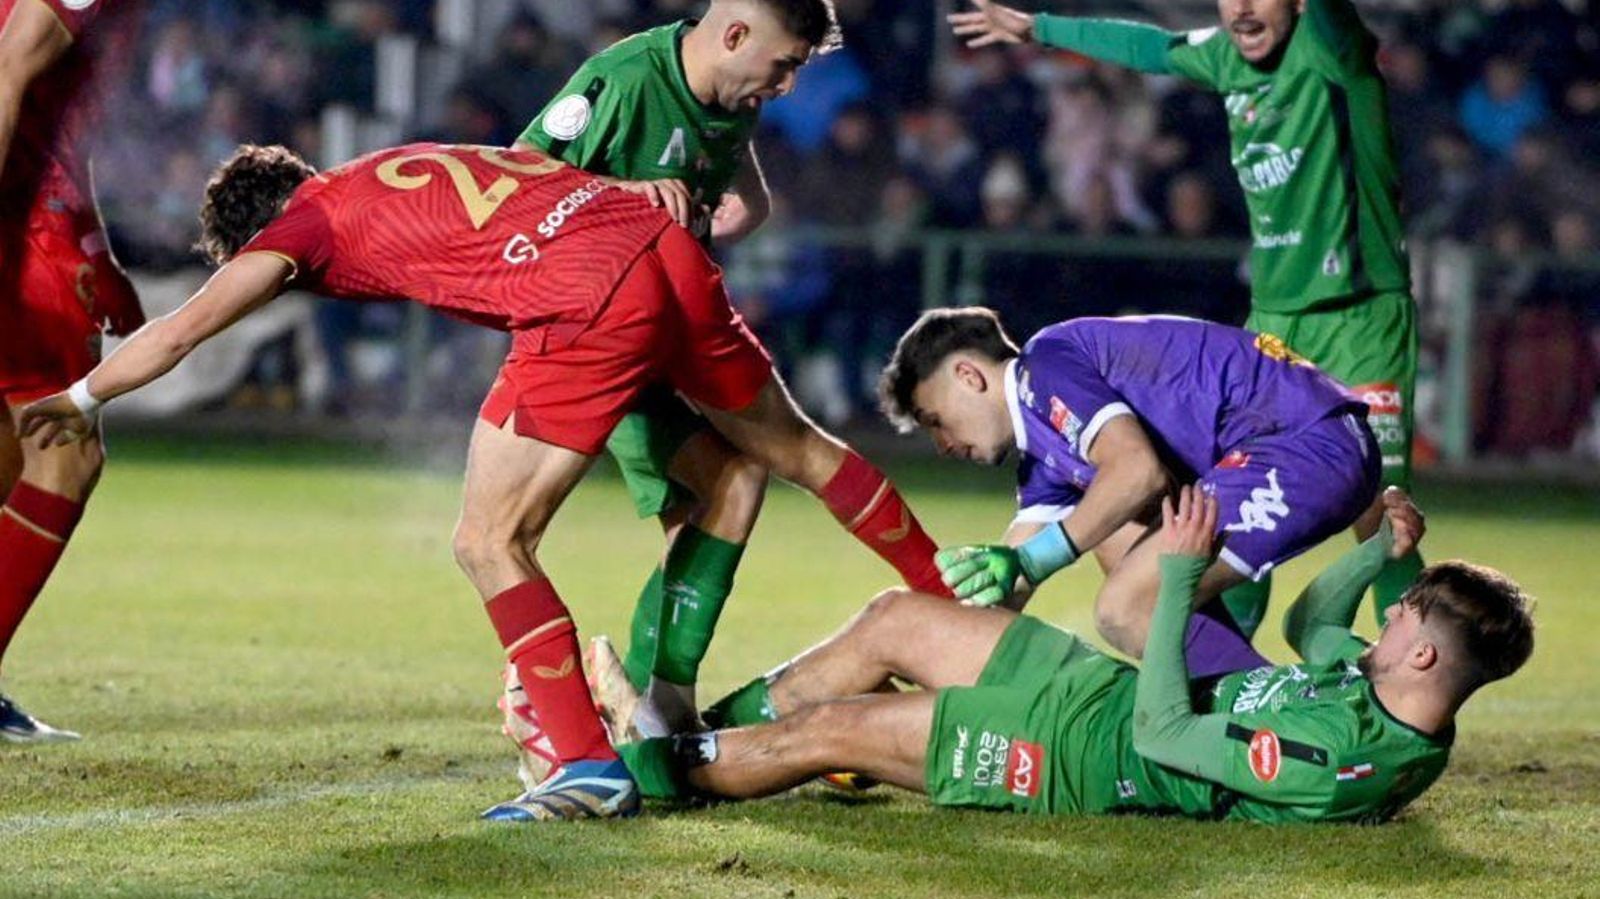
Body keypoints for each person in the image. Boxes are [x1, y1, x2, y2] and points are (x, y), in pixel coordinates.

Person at [18, 141, 947, 822]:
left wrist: (85, 394)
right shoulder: (398, 162)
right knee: (791, 455)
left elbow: (186, 329)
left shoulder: (301, 225)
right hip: (653, 244)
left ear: (265, 228)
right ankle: (956, 614)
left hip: (582, 292)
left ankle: (584, 764)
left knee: (488, 539)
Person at [617, 487, 1535, 825]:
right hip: (1099, 695)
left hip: (1085, 758)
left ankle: (641, 768)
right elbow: (1308, 627)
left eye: (1404, 611)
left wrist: (1176, 576)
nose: (1389, 618)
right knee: (896, 616)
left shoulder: (1345, 759)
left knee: (833, 731)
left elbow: (1171, 735)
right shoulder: (1376, 683)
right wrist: (1380, 554)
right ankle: (691, 736)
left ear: (1424, 658)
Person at [950, 0, 1424, 633]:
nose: (1243, 8)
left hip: (1363, 319)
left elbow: (1334, 22)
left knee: (1383, 520)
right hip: (1275, 325)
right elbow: (1147, 49)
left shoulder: (1330, 53)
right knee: (1230, 508)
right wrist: (1039, 28)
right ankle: (1223, 674)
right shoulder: (1225, 58)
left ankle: (1418, 679)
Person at [502, 0, 885, 757]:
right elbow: (515, 183)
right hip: (595, 340)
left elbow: (751, 205)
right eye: (782, 66)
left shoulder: (727, 97)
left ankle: (639, 713)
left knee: (711, 510)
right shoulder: (622, 78)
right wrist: (631, 206)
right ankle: (601, 714)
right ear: (736, 34)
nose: (784, 87)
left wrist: (699, 228)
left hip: (666, 334)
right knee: (731, 485)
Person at [885, 308, 1379, 657]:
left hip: (1305, 439)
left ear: (969, 375)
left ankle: (1270, 727)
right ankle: (1253, 707)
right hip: (1291, 444)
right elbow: (1008, 588)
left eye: (935, 420)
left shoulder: (1045, 365)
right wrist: (925, 656)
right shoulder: (1042, 458)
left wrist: (1034, 561)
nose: (942, 444)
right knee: (1114, 541)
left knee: (1126, 606)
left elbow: (1138, 472)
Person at [0, 0, 144, 742]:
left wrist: (95, 244)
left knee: (30, 451)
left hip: (38, 212)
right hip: (17, 224)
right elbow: (10, 65)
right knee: (60, 450)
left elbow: (56, 116)